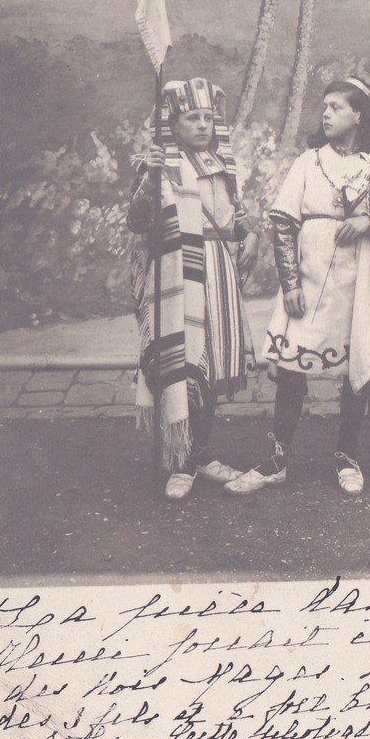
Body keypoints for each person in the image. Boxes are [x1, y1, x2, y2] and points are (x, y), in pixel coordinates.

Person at [225, 76, 370, 497]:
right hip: (309, 278)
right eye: (325, 106)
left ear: (360, 114)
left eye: (337, 106)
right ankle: (277, 460)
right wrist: (289, 283)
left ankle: (346, 456)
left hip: (357, 286)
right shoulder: (309, 162)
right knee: (291, 369)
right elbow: (283, 223)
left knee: (355, 370)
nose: (326, 113)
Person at [128, 77, 258, 500]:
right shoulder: (161, 166)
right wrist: (150, 177)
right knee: (182, 362)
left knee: (212, 365)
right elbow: (138, 222)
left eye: (207, 117)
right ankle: (179, 462)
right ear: (174, 123)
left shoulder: (225, 166)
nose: (202, 125)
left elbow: (234, 218)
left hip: (218, 272)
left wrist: (250, 234)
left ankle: (200, 454)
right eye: (191, 117)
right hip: (178, 272)